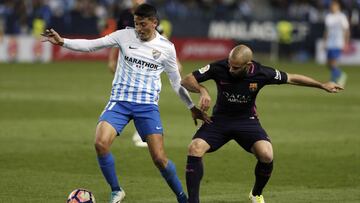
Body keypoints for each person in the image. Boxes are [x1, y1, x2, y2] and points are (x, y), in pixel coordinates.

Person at [42, 4, 208, 203]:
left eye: (143, 24)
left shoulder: (166, 48)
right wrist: (62, 42)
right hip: (119, 102)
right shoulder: (123, 35)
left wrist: (191, 107)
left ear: (155, 23)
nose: (139, 28)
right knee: (100, 143)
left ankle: (182, 198)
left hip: (147, 107)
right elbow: (92, 45)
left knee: (159, 159)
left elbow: (176, 81)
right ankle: (116, 190)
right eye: (136, 23)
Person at [181, 44, 343, 203]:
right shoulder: (219, 67)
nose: (231, 70)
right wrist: (203, 90)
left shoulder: (262, 73)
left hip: (247, 121)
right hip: (220, 121)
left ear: (248, 65)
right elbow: (187, 79)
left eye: (236, 68)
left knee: (266, 154)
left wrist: (322, 85)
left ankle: (256, 194)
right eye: (230, 65)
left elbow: (292, 78)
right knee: (194, 148)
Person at [108, 0, 181, 147]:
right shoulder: (124, 15)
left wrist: (176, 60)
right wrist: (112, 59)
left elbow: (161, 36)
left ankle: (143, 129)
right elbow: (117, 37)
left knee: (147, 91)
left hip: (149, 57)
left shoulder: (149, 14)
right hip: (129, 56)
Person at [323, 0, 350, 87]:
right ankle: (339, 74)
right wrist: (325, 42)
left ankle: (336, 78)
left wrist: (346, 42)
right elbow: (326, 31)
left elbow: (346, 30)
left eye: (334, 5)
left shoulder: (342, 16)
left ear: (338, 7)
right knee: (328, 63)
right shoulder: (329, 16)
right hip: (330, 43)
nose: (332, 7)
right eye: (331, 5)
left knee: (333, 62)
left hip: (338, 43)